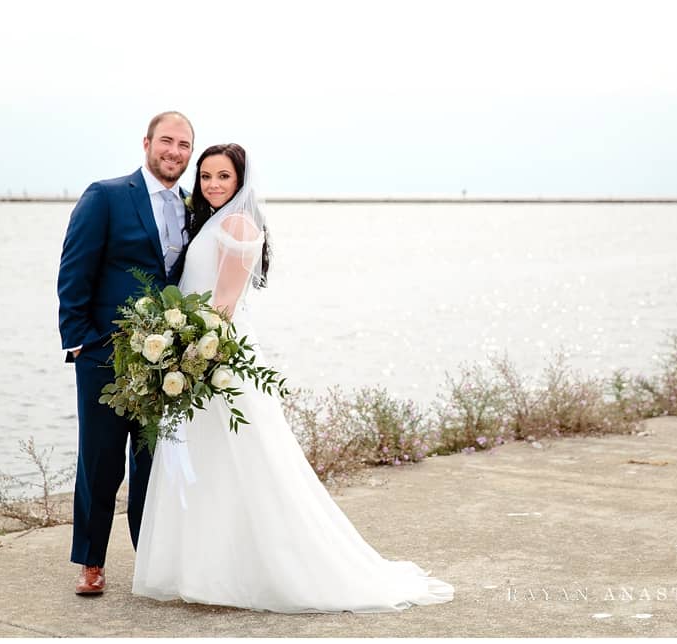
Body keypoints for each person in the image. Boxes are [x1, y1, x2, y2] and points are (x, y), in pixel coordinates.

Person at [132, 144, 454, 612]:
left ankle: (253, 568)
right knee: (210, 462)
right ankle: (205, 568)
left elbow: (221, 306)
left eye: (223, 176)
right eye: (205, 177)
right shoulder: (212, 223)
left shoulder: (240, 225)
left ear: (241, 182)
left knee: (242, 461)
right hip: (200, 350)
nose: (213, 185)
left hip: (217, 354)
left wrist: (188, 353)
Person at [57, 111, 200, 595]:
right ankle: (91, 562)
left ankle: (149, 558)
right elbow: (74, 269)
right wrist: (78, 342)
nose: (174, 152)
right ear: (146, 143)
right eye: (167, 141)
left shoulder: (190, 206)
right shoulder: (108, 195)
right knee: (100, 461)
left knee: (152, 461)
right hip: (104, 354)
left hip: (164, 360)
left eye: (184, 145)